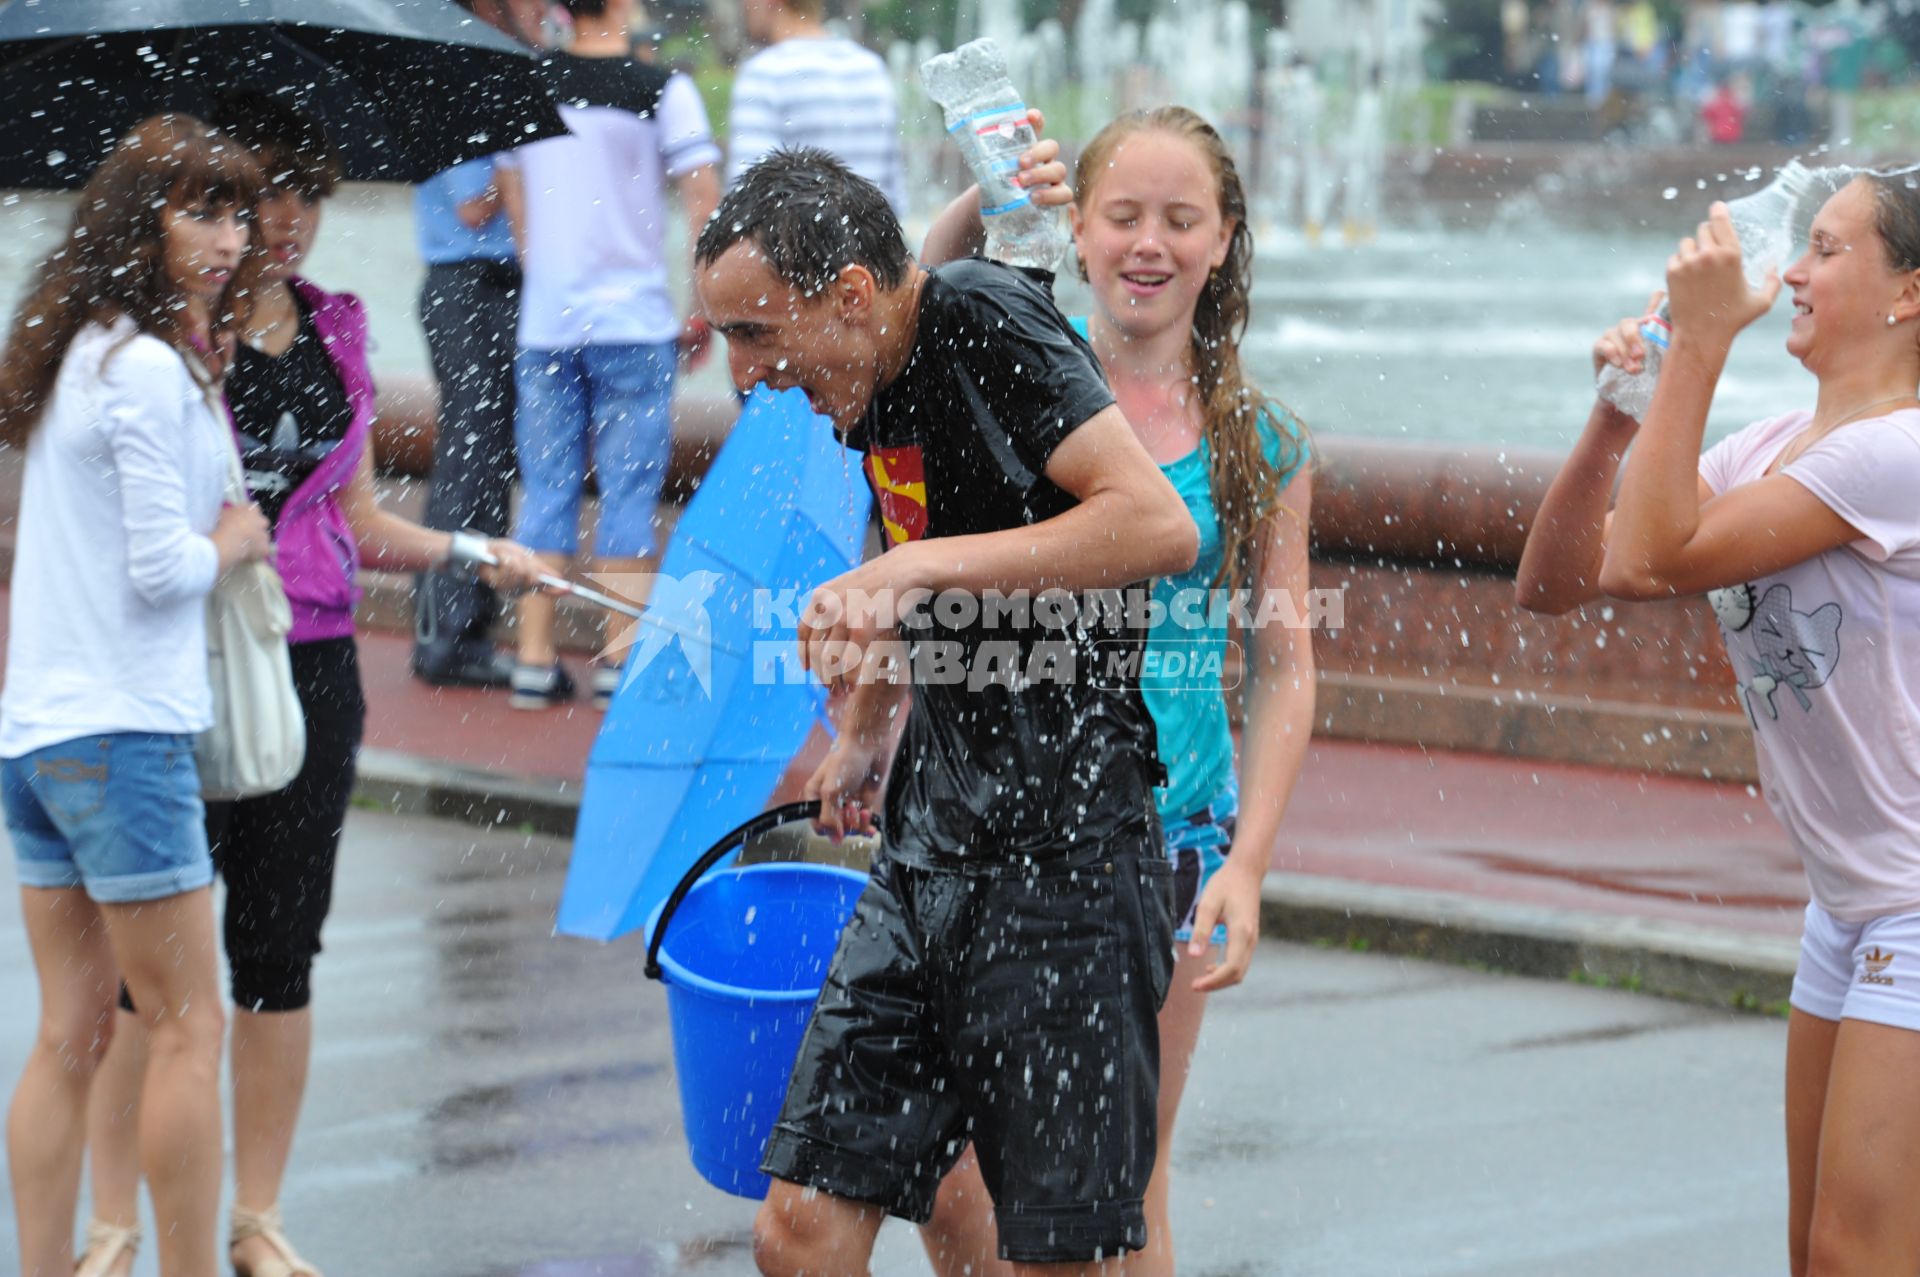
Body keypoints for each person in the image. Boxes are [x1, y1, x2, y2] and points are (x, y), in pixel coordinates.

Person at [694, 147, 1198, 1276]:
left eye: (758, 332)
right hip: (930, 850)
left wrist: (906, 581)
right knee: (801, 1228)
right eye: (730, 336)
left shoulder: (973, 315)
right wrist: (869, 721)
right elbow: (910, 534)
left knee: (1052, 1256)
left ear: (851, 297)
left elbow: (1159, 525)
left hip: (1067, 856)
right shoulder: (872, 364)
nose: (746, 370)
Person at [70, 96, 550, 1277]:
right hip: (185, 661)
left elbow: (361, 517)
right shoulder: (162, 344)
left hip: (315, 659)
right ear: (205, 211)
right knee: (156, 976)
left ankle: (257, 1219)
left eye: (305, 193)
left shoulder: (339, 324)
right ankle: (116, 1223)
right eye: (253, 195)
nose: (285, 219)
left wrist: (478, 551)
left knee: (280, 952)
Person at [913, 105, 1317, 1277]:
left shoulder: (1262, 441)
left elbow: (1285, 665)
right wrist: (980, 199)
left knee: (1124, 1177)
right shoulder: (1020, 380)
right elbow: (910, 309)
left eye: (1181, 220)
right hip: (995, 823)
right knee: (951, 1175)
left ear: (1225, 241)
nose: (1150, 243)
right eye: (1123, 215)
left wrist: (1247, 862)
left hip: (1168, 836)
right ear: (1077, 234)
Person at [1516, 176, 1920, 1273]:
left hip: (1914, 903)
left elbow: (1656, 555)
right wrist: (1615, 415)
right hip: (1851, 904)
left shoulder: (1898, 456)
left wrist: (1697, 342)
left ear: (1909, 294)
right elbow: (1557, 582)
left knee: (1855, 1253)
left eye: (1826, 250)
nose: (1790, 269)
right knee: (1816, 1254)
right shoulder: (1776, 444)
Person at [0, 115, 268, 1277]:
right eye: (200, 210)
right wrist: (239, 537)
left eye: (237, 211)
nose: (231, 236)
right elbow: (162, 567)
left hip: (37, 734)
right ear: (139, 223)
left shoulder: (85, 353)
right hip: (122, 733)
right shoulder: (149, 369)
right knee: (187, 1026)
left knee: (70, 1030)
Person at [495, 0, 723, 710]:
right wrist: (703, 302)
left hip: (548, 324)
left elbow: (517, 206)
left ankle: (533, 659)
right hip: (634, 322)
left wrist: (550, 277)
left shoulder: (527, 82)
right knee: (628, 490)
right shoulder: (663, 90)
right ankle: (617, 658)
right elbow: (703, 199)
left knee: (546, 486)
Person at [410, 0, 550, 687]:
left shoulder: (476, 68)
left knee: (485, 453)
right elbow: (471, 206)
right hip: (470, 287)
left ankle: (463, 628)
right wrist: (525, 133)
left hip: (488, 288)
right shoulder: (459, 74)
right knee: (471, 454)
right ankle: (445, 633)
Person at [726, 0, 907, 218]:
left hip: (798, 248)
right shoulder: (871, 68)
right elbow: (892, 195)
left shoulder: (764, 74)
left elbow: (746, 201)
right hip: (870, 246)